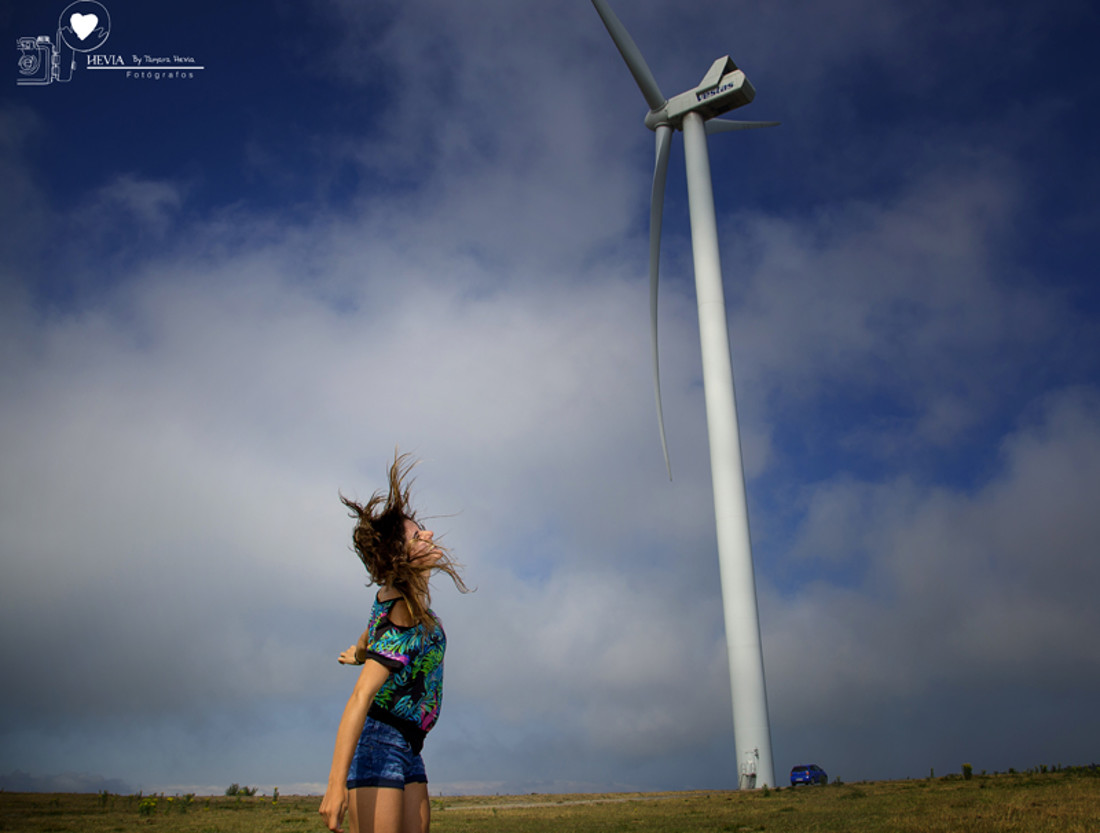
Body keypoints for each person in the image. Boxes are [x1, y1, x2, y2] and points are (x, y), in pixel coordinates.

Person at [320, 454, 468, 833]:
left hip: (409, 746)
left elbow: (371, 634)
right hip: (379, 745)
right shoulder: (401, 610)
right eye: (417, 536)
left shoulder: (400, 601)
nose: (430, 535)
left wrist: (358, 653)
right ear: (400, 556)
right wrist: (335, 787)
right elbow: (359, 698)